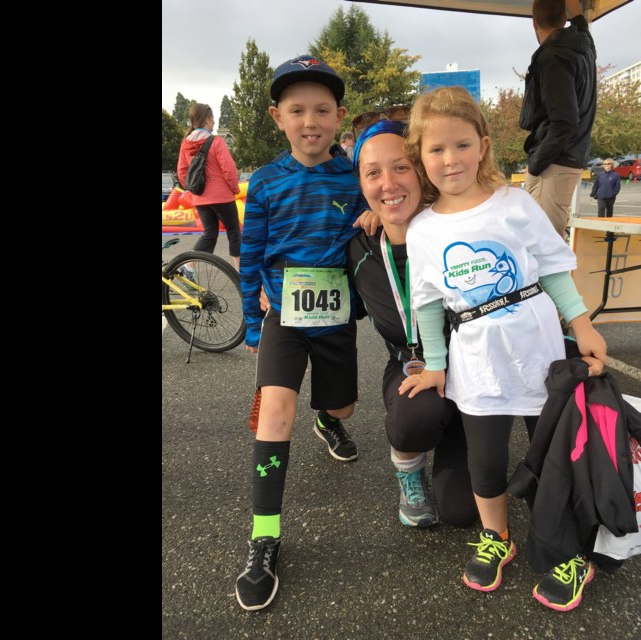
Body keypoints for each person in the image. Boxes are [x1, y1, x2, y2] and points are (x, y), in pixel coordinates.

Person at [398, 86, 607, 609]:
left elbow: (554, 270)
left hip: (536, 351)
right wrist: (438, 367)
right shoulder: (422, 230)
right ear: (421, 158)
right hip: (476, 364)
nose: (451, 159)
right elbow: (426, 304)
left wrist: (583, 326)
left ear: (484, 145)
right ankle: (498, 535)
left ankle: (564, 547)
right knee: (486, 465)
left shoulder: (515, 204)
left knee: (551, 458)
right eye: (437, 150)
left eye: (462, 145)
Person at [235, 55, 369, 612]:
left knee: (343, 409)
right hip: (282, 317)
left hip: (335, 317)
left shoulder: (355, 177)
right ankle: (263, 537)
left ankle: (327, 418)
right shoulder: (264, 182)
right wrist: (250, 316)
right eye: (296, 110)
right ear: (277, 117)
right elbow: (251, 253)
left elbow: (375, 230)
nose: (309, 120)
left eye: (321, 110)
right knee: (273, 414)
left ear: (339, 116)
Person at [346, 115, 477, 530]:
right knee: (412, 422)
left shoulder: (460, 230)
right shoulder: (357, 249)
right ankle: (409, 469)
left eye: (401, 166)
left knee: (460, 513)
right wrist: (268, 290)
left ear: (421, 171)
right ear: (362, 185)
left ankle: (469, 438)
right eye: (373, 173)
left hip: (475, 371)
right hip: (412, 367)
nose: (388, 183)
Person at [520, 0, 596, 240]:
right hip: (569, 159)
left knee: (543, 249)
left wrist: (536, 164)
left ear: (533, 22)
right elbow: (584, 33)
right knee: (548, 246)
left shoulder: (553, 56)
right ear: (563, 19)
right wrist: (577, 16)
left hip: (553, 163)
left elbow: (564, 122)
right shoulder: (582, 49)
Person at [177, 103, 242, 269]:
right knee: (234, 232)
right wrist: (234, 188)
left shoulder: (186, 143)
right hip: (222, 196)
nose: (214, 123)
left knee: (209, 234)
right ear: (206, 120)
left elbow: (182, 171)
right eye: (212, 119)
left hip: (200, 198)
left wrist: (193, 190)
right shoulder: (216, 141)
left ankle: (188, 265)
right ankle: (240, 271)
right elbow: (228, 169)